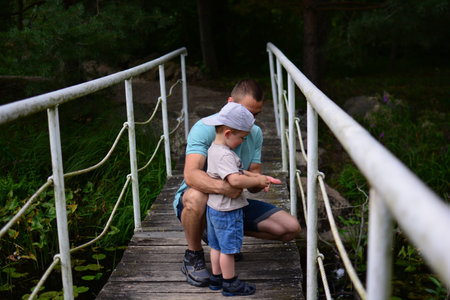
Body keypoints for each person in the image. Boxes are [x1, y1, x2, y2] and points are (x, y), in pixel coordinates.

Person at [173, 79, 301, 288]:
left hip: (231, 205)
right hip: (202, 200)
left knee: (289, 229)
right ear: (230, 102)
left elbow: (253, 176)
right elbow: (191, 175)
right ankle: (193, 254)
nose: (251, 120)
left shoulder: (254, 132)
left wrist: (260, 182)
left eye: (256, 115)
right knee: (196, 196)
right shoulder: (204, 128)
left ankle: (218, 232)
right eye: (247, 112)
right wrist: (227, 187)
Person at [202, 102, 281, 296]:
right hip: (227, 211)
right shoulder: (226, 155)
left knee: (216, 246)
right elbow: (235, 178)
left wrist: (259, 178)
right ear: (228, 133)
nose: (244, 142)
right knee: (228, 249)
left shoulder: (214, 150)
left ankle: (216, 278)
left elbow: (237, 171)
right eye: (242, 138)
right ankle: (230, 283)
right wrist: (256, 180)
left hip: (213, 209)